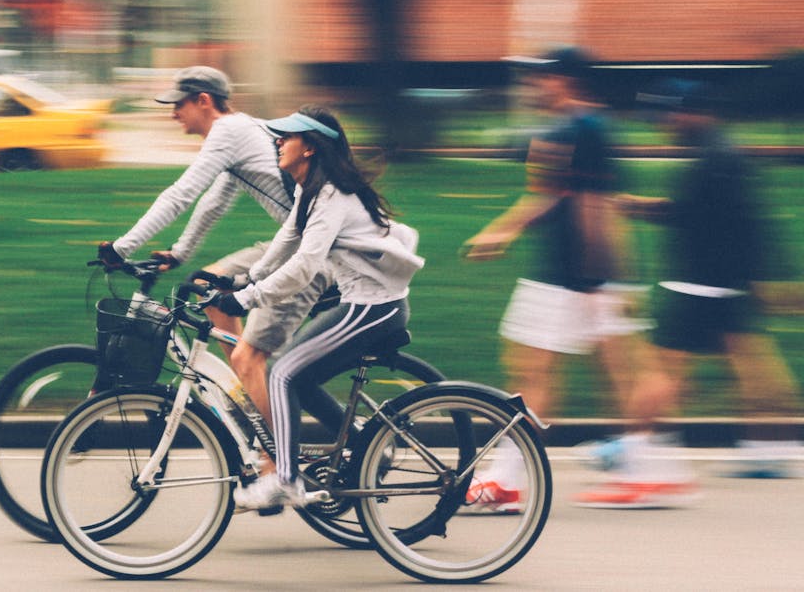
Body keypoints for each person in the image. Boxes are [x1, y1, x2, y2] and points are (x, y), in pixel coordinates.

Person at [462, 47, 694, 510]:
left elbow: (594, 204)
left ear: (567, 80)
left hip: (586, 276)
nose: (534, 85)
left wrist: (595, 281)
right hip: (566, 276)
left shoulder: (586, 127)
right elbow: (552, 197)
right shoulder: (570, 128)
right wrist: (503, 231)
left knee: (619, 374)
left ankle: (650, 472)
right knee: (533, 370)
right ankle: (512, 479)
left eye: (541, 77)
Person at [213, 105, 424, 510]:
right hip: (364, 305)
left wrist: (245, 299)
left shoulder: (332, 195)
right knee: (300, 378)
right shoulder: (311, 190)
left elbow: (304, 267)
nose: (277, 141)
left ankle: (286, 479)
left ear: (309, 147)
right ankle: (364, 445)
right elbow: (286, 242)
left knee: (282, 375)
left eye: (286, 137)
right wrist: (245, 278)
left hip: (373, 309)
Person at [97, 66, 334, 422]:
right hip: (296, 241)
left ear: (203, 101)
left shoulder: (228, 131)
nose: (173, 113)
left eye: (179, 104)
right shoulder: (240, 131)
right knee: (208, 284)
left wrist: (122, 247)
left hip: (315, 253)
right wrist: (180, 253)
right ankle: (248, 397)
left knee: (251, 357)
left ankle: (275, 459)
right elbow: (214, 202)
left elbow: (182, 194)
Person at [615, 79, 802, 480]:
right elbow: (732, 217)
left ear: (695, 112)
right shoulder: (720, 152)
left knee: (660, 365)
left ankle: (635, 448)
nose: (666, 123)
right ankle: (769, 448)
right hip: (726, 281)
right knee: (754, 362)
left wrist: (638, 207)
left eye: (671, 114)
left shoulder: (714, 158)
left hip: (700, 282)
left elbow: (699, 216)